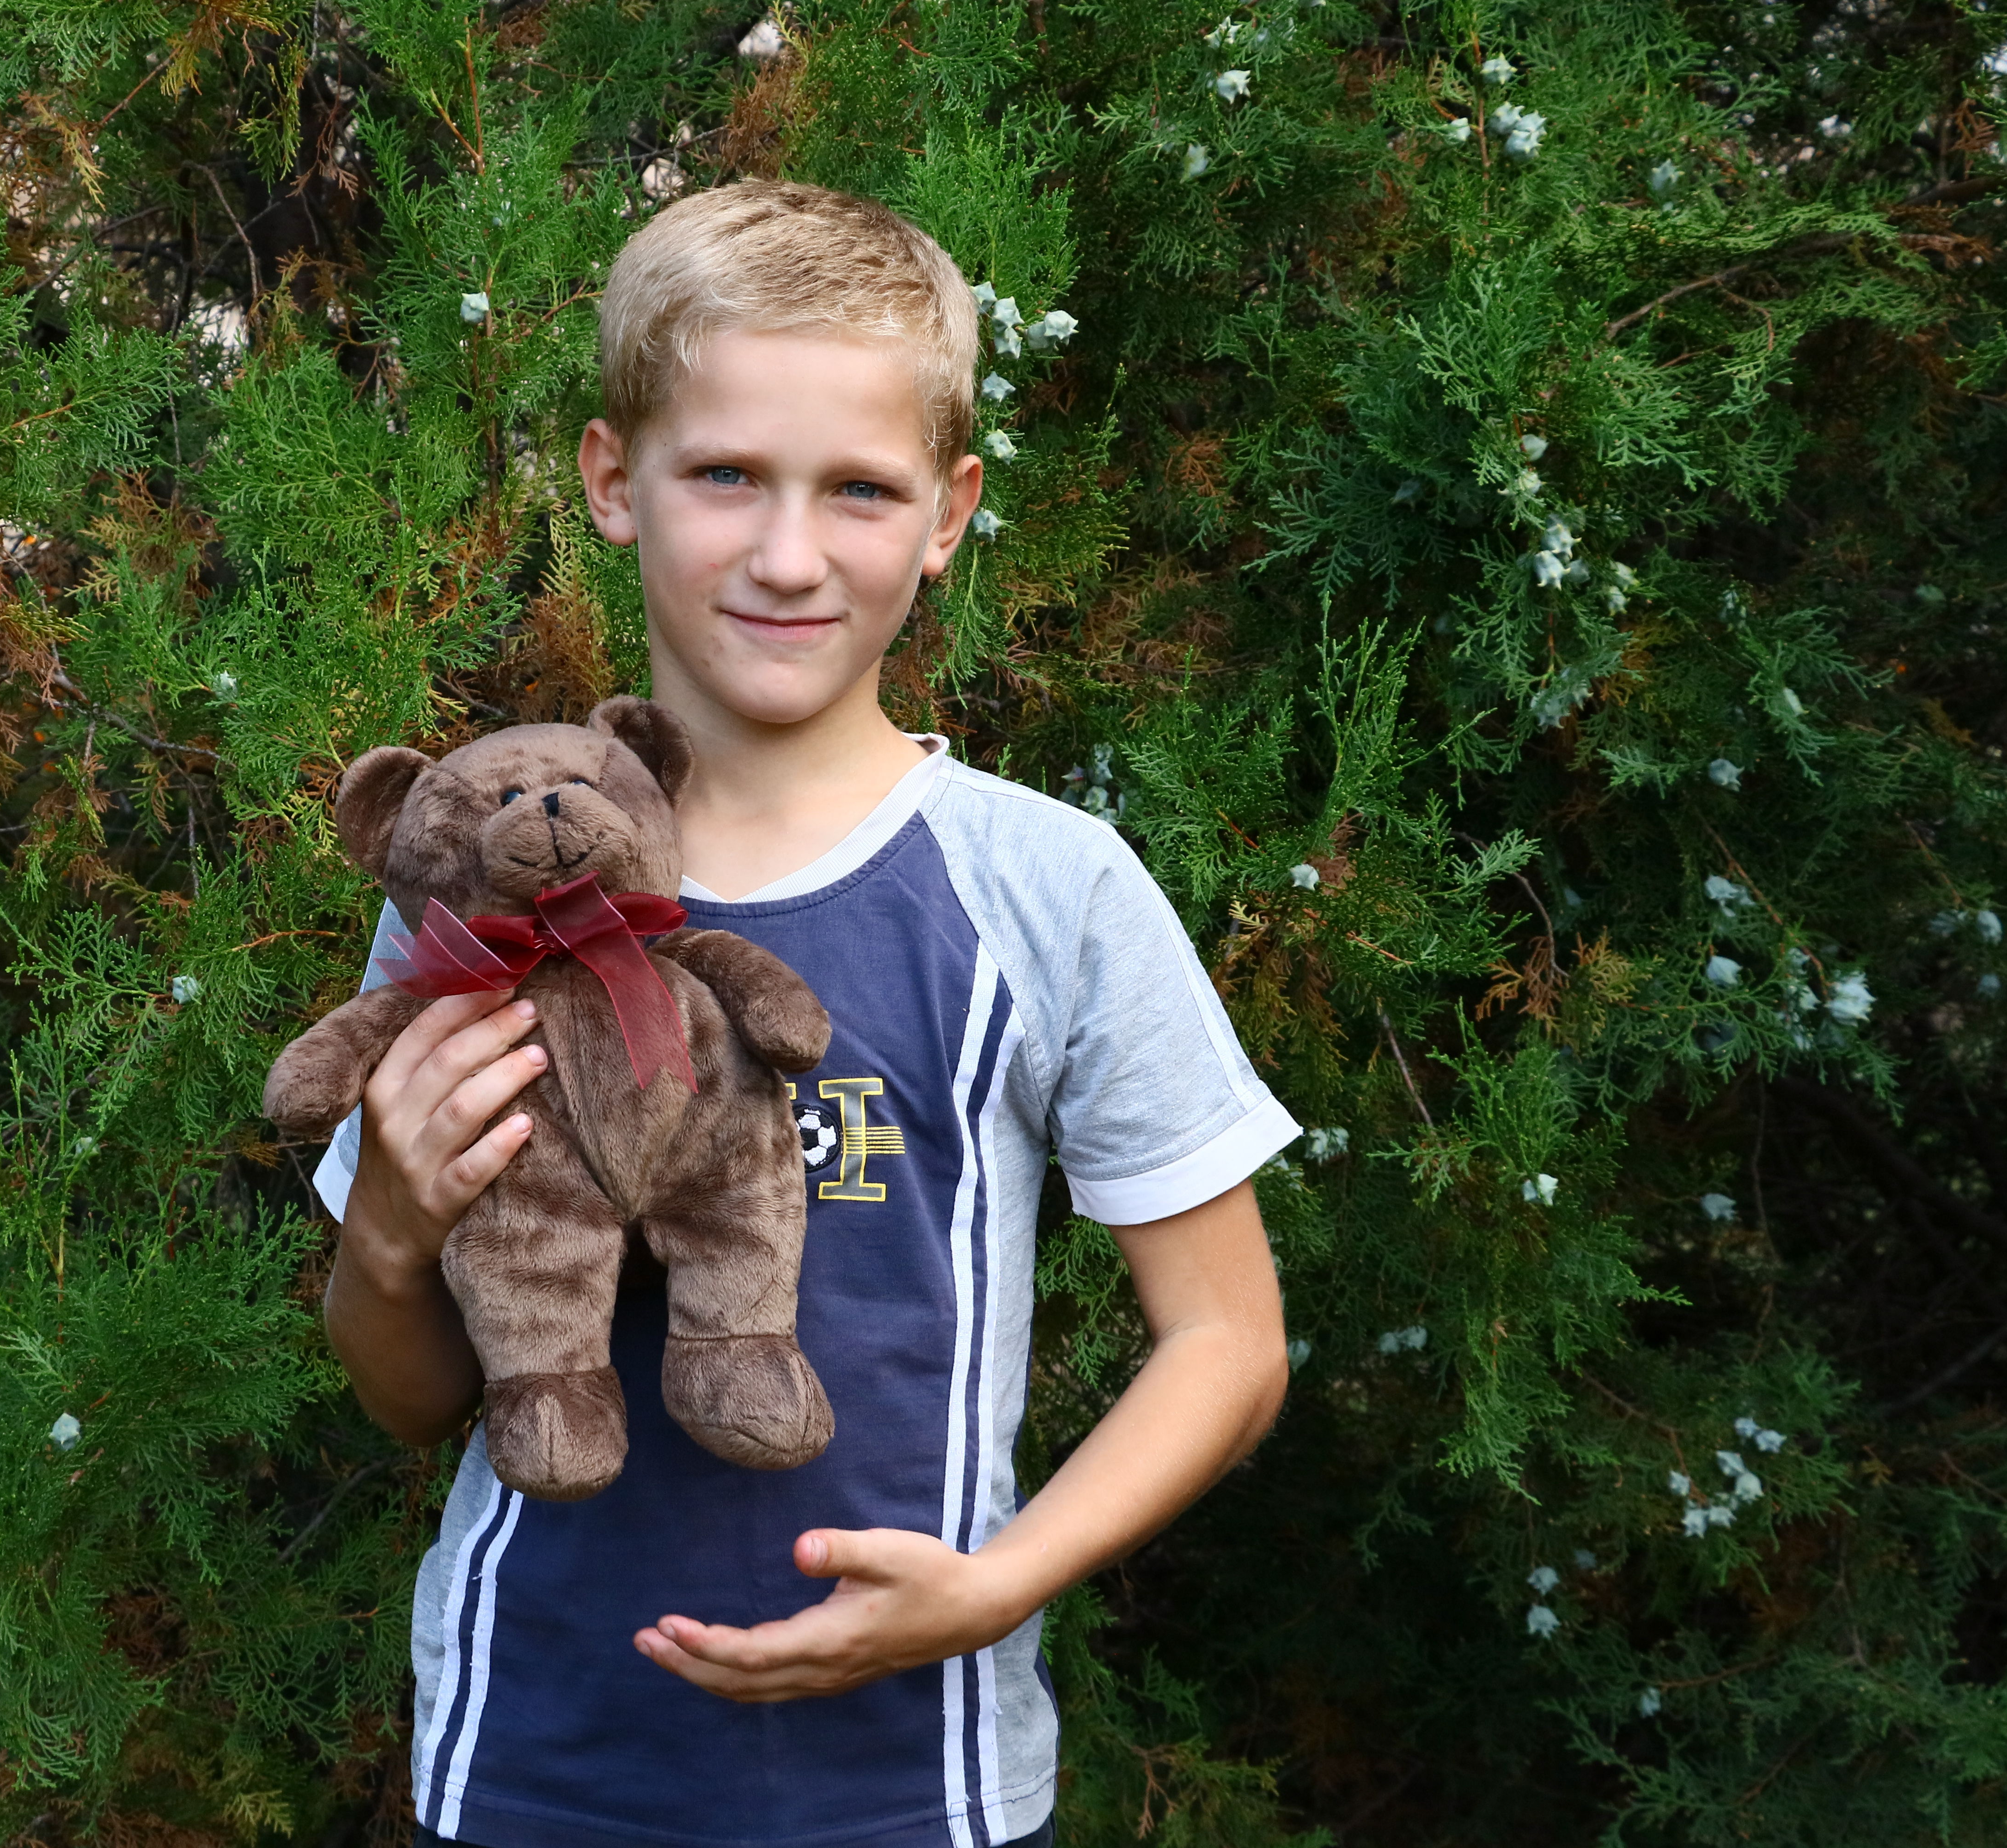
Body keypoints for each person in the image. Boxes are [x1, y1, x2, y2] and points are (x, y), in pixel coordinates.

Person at [312, 180, 1302, 1848]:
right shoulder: (476, 883)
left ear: (949, 513)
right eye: (725, 476)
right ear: (612, 481)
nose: (788, 555)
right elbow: (412, 1401)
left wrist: (1000, 1586)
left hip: (915, 1786)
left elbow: (1231, 1344)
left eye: (859, 489)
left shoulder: (1045, 889)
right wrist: (393, 1233)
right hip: (535, 1770)